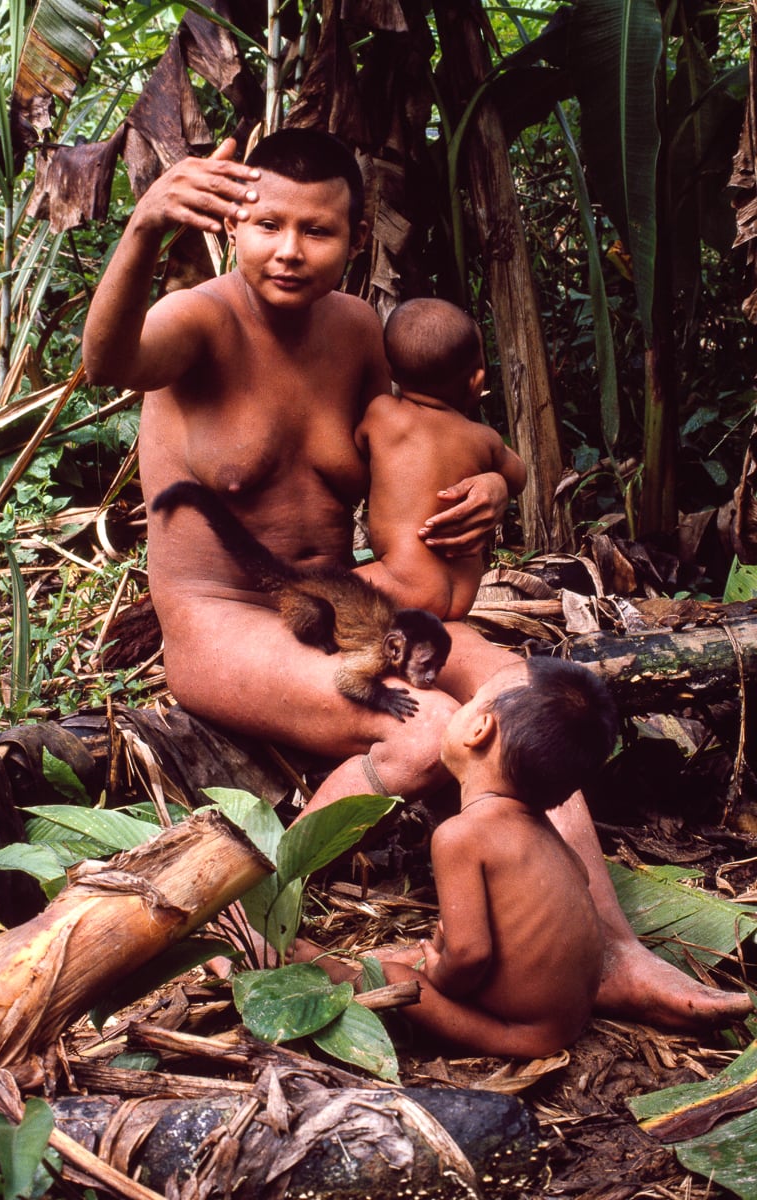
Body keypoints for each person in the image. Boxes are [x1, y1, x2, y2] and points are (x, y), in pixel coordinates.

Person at [83, 127, 753, 1032]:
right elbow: (108, 364)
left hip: (345, 596)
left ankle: (615, 952)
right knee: (440, 725)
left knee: (528, 692)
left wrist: (490, 485)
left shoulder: (359, 331)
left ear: (356, 238)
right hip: (225, 616)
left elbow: (435, 431)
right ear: (233, 224)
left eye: (316, 231)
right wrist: (142, 230)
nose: (289, 250)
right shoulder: (199, 320)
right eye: (267, 224)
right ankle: (267, 923)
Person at [376, 656, 617, 1057]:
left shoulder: (461, 835)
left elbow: (469, 957)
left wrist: (439, 976)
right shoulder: (549, 837)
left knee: (387, 976)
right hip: (567, 1020)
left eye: (471, 700)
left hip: (519, 1033)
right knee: (424, 950)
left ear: (478, 728)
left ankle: (321, 971)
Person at [355, 298, 526, 620]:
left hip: (399, 582)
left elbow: (360, 450)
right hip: (461, 597)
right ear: (476, 381)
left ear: (390, 370)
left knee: (318, 592)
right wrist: (496, 477)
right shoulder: (483, 439)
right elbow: (518, 476)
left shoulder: (382, 414)